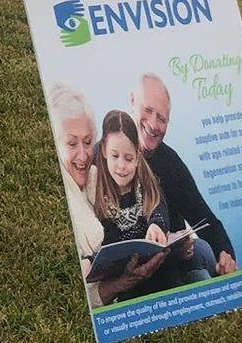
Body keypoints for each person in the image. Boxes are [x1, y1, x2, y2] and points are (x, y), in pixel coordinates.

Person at [89, 109, 208, 302]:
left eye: (128, 158)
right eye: (114, 156)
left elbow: (158, 207)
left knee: (200, 270)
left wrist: (156, 225)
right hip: (128, 279)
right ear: (104, 151)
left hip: (161, 268)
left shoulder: (145, 183)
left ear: (137, 156)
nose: (121, 166)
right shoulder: (97, 189)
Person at [49, 84, 153, 304]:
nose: (83, 155)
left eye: (87, 142)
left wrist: (125, 280)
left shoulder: (96, 179)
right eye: (71, 143)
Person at [131, 72, 237, 276]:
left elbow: (205, 218)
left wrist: (226, 255)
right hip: (133, 270)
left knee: (203, 252)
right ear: (132, 101)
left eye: (162, 119)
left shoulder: (170, 162)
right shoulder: (106, 156)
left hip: (175, 262)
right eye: (148, 110)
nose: (153, 124)